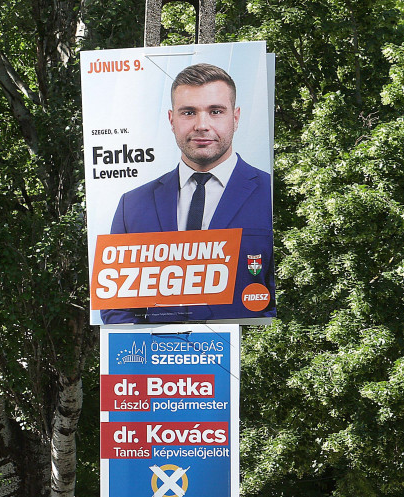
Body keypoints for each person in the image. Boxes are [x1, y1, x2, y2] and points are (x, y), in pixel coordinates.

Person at [100, 63, 274, 324]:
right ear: (172, 120)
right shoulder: (132, 204)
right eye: (189, 112)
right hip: (158, 349)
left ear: (236, 118)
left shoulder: (270, 192)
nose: (202, 125)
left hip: (243, 348)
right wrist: (150, 346)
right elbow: (116, 304)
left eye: (216, 111)